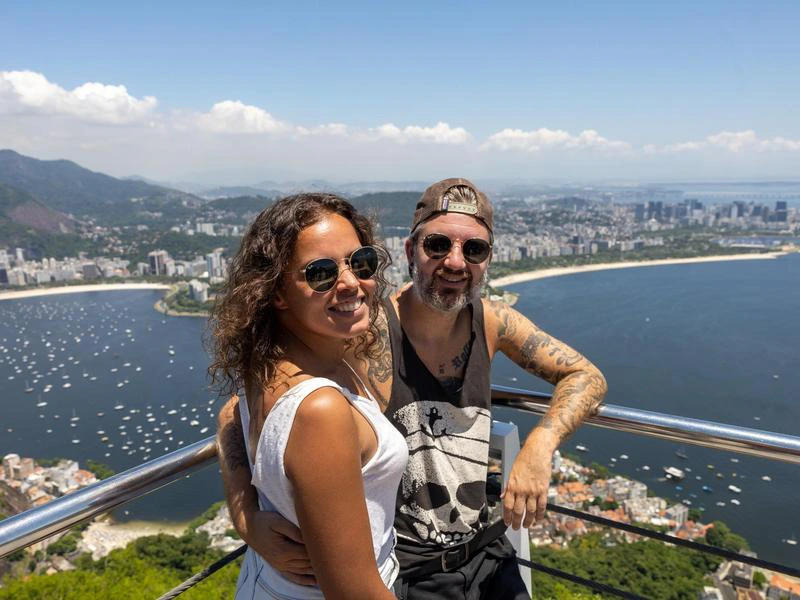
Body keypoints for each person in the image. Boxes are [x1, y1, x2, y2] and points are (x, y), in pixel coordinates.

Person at [217, 179, 608, 599]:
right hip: (408, 571)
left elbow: (587, 376)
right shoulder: (364, 331)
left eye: (474, 250)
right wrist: (246, 517)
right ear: (410, 251)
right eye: (437, 245)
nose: (455, 263)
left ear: (488, 260)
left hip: (485, 552)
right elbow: (240, 412)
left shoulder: (492, 322)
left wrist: (540, 445)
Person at [208, 193, 408, 599]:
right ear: (276, 292)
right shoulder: (320, 408)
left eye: (360, 261)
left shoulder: (274, 363)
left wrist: (244, 510)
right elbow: (354, 593)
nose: (350, 282)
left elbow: (231, 414)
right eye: (321, 273)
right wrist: (245, 516)